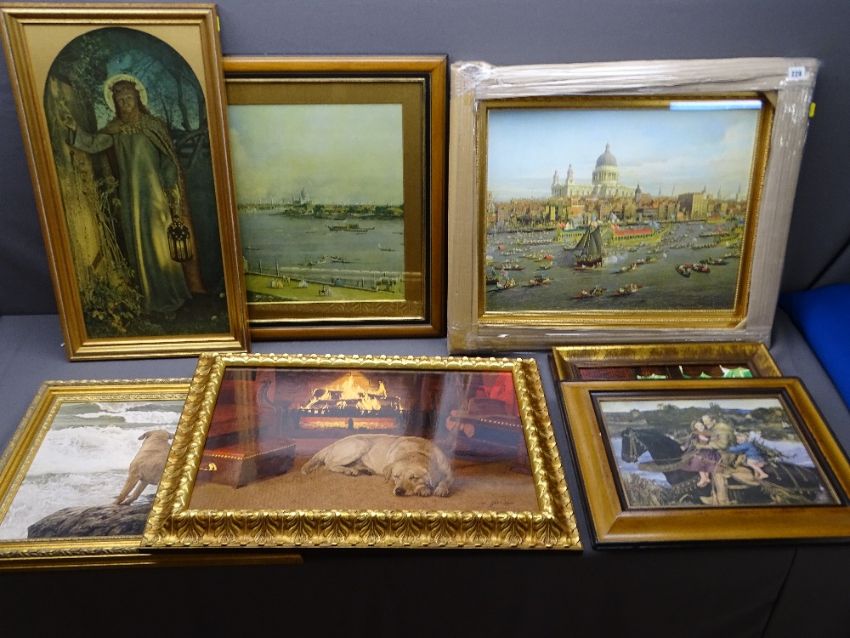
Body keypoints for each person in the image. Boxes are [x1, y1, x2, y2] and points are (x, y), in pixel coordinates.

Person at [59, 75, 204, 317]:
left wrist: (169, 185)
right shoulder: (114, 130)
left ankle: (173, 294)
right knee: (138, 243)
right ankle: (151, 298)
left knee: (160, 243)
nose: (125, 103)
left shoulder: (153, 126)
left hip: (156, 195)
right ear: (115, 104)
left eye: (128, 97)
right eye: (120, 100)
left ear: (137, 98)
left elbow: (168, 159)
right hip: (131, 197)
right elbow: (93, 143)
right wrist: (74, 129)